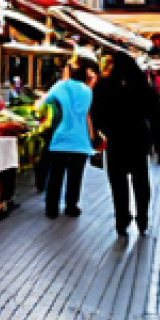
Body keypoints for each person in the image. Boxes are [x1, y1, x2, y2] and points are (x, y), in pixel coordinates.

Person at [92, 52, 160, 236]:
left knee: (118, 183)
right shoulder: (140, 85)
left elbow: (96, 113)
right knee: (141, 181)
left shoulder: (103, 85)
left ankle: (122, 219)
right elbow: (155, 112)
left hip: (116, 141)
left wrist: (105, 131)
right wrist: (157, 140)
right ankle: (142, 218)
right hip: (138, 140)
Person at [39, 56, 97, 220]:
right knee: (75, 175)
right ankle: (71, 206)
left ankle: (52, 208)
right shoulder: (88, 91)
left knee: (56, 174)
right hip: (81, 139)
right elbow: (87, 114)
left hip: (61, 137)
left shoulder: (60, 86)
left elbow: (43, 104)